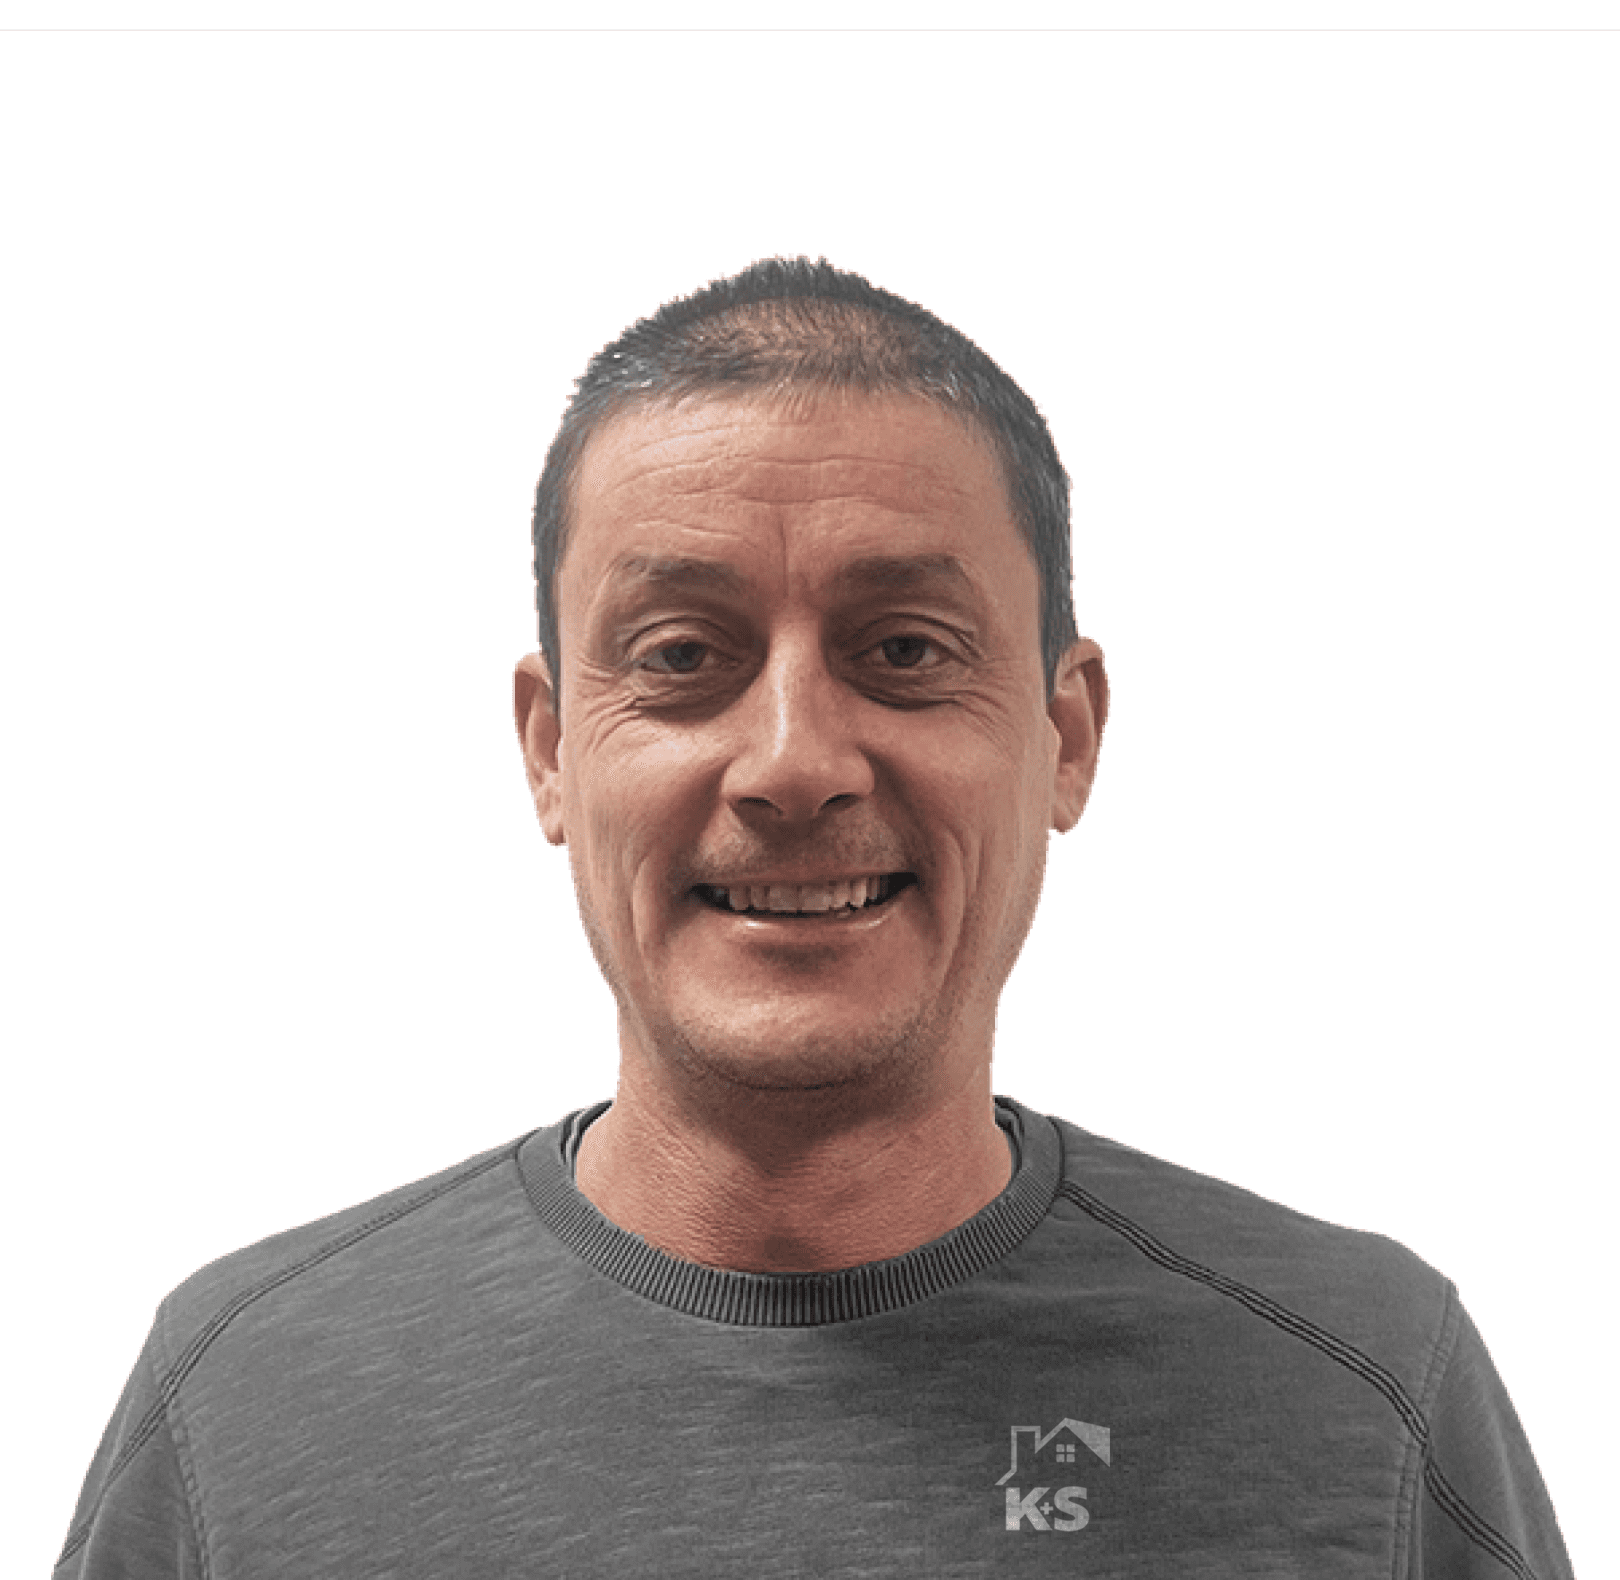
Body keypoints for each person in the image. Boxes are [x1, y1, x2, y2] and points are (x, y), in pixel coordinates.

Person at [57, 258, 1572, 1578]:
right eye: (681, 654)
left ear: (1067, 736)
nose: (791, 762)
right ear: (551, 750)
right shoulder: (241, 1404)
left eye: (905, 649)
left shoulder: (1365, 1397)